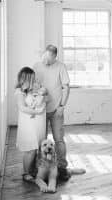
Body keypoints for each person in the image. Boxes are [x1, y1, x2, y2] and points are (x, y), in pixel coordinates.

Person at [33, 44, 71, 181]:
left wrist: (62, 105)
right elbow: (32, 86)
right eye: (45, 57)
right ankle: (39, 167)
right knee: (39, 141)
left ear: (55, 57)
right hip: (41, 111)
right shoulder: (37, 66)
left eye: (49, 59)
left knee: (59, 140)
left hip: (56, 110)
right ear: (43, 54)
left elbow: (66, 87)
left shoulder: (61, 67)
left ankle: (62, 168)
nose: (46, 61)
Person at [14, 67, 47, 182]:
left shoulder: (33, 89)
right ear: (25, 79)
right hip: (28, 124)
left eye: (34, 78)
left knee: (36, 147)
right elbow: (22, 107)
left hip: (37, 123)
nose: (34, 80)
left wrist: (41, 95)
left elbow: (45, 97)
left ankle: (32, 170)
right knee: (30, 149)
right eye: (31, 78)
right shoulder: (19, 92)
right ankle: (26, 173)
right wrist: (36, 111)